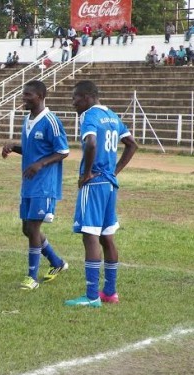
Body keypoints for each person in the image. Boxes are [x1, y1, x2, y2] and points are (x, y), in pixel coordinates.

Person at [66, 80, 137, 307]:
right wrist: (113, 171)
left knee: (90, 235)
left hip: (94, 184)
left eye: (75, 97)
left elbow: (92, 143)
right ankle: (110, 292)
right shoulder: (112, 115)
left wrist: (86, 173)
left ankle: (91, 296)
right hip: (109, 184)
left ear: (87, 97)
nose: (73, 102)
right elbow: (132, 144)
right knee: (107, 236)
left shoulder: (89, 117)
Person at [1, 80, 69, 291]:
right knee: (26, 228)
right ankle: (56, 262)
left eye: (28, 95)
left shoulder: (51, 121)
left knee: (33, 228)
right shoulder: (27, 119)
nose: (24, 98)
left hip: (44, 184)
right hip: (29, 183)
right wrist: (14, 147)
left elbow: (63, 151)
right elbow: (32, 149)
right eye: (23, 94)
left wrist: (40, 164)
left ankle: (32, 277)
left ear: (40, 96)